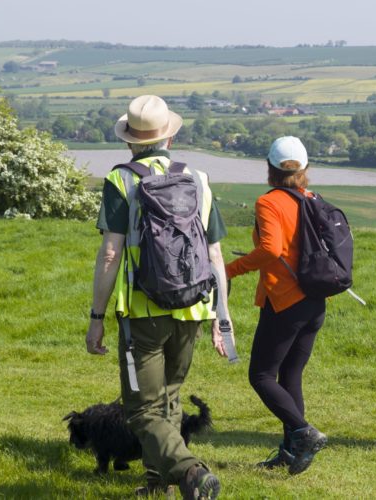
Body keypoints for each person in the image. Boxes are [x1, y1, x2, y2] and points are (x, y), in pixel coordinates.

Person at [85, 94, 233, 499]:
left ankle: (189, 472)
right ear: (169, 135)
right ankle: (158, 483)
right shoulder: (198, 179)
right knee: (168, 396)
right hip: (193, 307)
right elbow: (215, 253)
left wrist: (97, 316)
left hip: (142, 312)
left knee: (140, 408)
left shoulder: (121, 180)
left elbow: (111, 252)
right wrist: (222, 316)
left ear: (131, 139)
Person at [225, 136, 328, 475]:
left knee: (261, 375)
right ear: (305, 169)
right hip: (315, 299)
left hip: (285, 300)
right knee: (290, 375)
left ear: (269, 168)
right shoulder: (311, 199)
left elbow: (270, 249)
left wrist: (232, 269)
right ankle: (290, 451)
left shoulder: (270, 202)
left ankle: (303, 433)